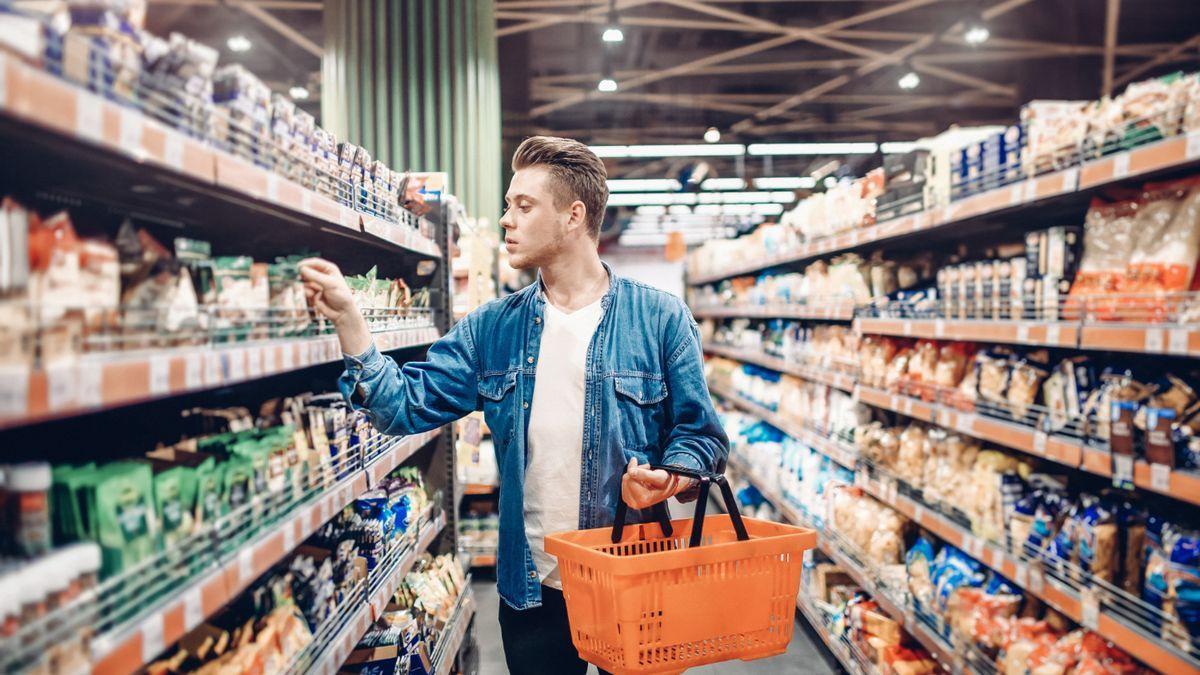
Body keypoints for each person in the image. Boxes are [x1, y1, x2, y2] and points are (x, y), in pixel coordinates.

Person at [299, 136, 728, 674]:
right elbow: (402, 406)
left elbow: (703, 437)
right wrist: (348, 320)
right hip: (534, 589)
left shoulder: (660, 318)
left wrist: (670, 476)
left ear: (573, 216)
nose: (506, 219)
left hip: (635, 580)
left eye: (523, 206)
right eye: (508, 205)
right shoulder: (494, 328)